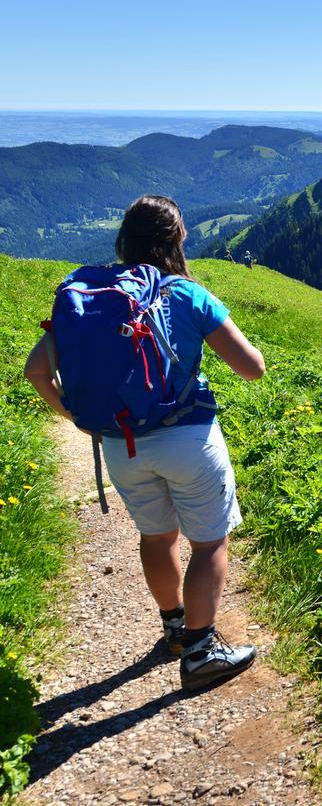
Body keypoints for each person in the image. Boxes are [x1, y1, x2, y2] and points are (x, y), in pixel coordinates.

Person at [24, 196, 266, 691]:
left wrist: (76, 417)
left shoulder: (87, 297)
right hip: (189, 437)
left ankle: (175, 629)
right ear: (176, 241)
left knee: (156, 538)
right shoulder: (186, 293)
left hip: (122, 444)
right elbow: (252, 368)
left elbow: (36, 371)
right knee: (209, 541)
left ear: (124, 239)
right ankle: (201, 652)